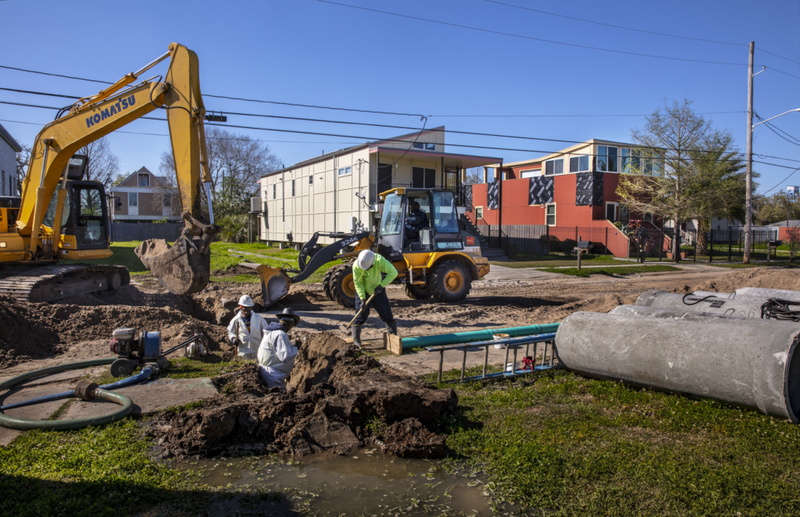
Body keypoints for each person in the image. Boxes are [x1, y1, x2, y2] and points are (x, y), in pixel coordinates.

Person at [351, 249, 398, 348]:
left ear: (372, 263)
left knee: (386, 313)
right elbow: (358, 283)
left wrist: (381, 286)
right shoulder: (356, 266)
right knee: (360, 314)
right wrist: (362, 298)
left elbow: (393, 272)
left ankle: (392, 338)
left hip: (378, 289)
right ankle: (356, 341)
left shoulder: (379, 260)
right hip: (363, 290)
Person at [257, 307, 301, 390]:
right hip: (273, 375)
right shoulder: (280, 334)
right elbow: (285, 356)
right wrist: (296, 347)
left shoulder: (272, 332)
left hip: (269, 371)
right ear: (289, 324)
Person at [227, 295, 270, 359]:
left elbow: (266, 332)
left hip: (257, 352)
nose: (247, 309)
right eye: (245, 307)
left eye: (249, 307)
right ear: (240, 307)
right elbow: (230, 332)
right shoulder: (236, 320)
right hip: (243, 353)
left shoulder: (258, 319)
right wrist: (233, 339)